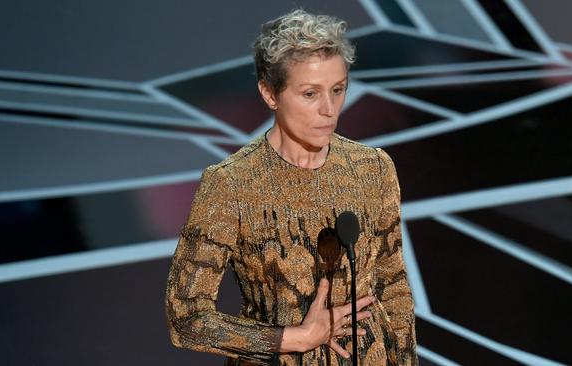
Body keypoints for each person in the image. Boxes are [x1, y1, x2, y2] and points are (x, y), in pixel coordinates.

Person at [165, 9, 417, 365]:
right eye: (310, 94)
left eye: (338, 90)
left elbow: (394, 288)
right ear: (270, 93)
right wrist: (296, 338)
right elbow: (187, 318)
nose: (328, 109)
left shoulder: (372, 168)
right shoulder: (231, 184)